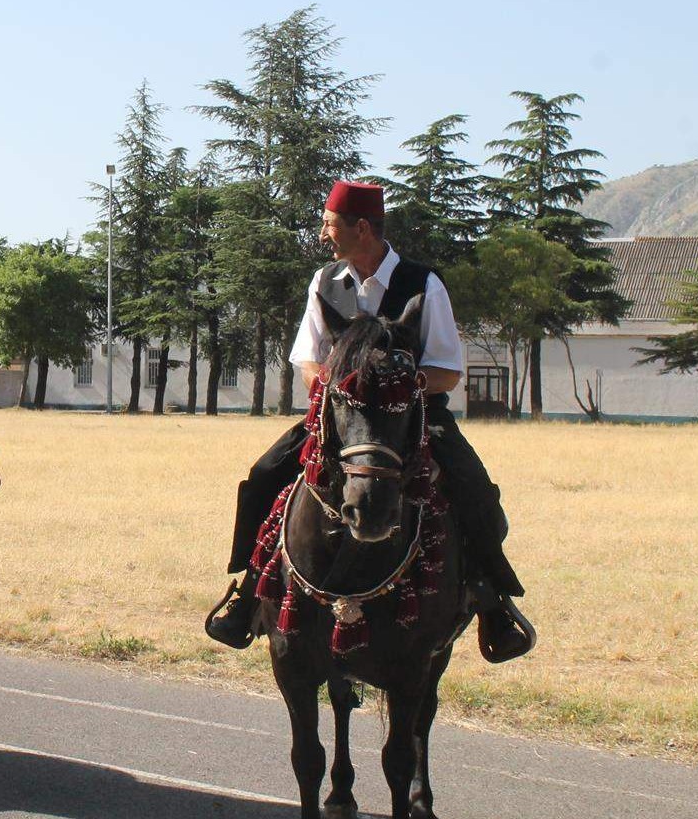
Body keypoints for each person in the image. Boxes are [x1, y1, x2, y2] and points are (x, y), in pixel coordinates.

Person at [204, 181, 535, 663]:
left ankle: (492, 599)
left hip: (410, 420)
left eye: (329, 224)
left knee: (475, 488)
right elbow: (308, 359)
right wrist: (337, 386)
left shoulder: (424, 285)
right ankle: (249, 592)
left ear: (361, 228)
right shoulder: (324, 282)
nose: (323, 234)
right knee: (262, 477)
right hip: (337, 418)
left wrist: (396, 385)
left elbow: (447, 371)